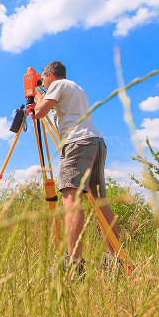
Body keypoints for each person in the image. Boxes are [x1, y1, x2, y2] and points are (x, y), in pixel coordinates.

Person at [33, 61, 119, 269]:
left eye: (43, 80)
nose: (43, 83)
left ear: (50, 76)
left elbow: (39, 113)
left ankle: (73, 262)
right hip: (95, 142)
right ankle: (116, 258)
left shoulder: (57, 85)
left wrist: (37, 98)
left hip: (77, 143)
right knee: (100, 202)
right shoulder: (76, 87)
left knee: (72, 200)